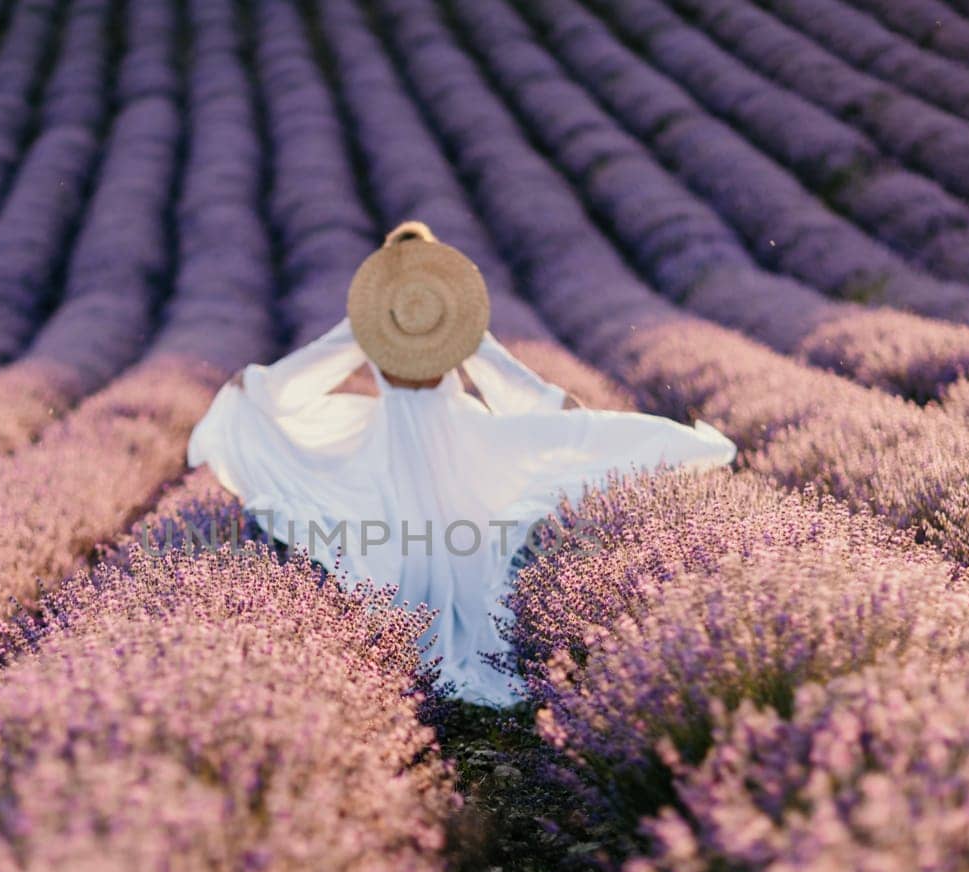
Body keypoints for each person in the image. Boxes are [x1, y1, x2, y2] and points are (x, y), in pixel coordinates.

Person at [187, 221, 737, 706]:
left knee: (405, 539)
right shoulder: (452, 315)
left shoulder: (373, 319)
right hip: (456, 432)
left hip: (397, 440)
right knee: (470, 527)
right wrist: (553, 408)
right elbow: (503, 374)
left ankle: (402, 639)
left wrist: (257, 387)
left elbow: (315, 365)